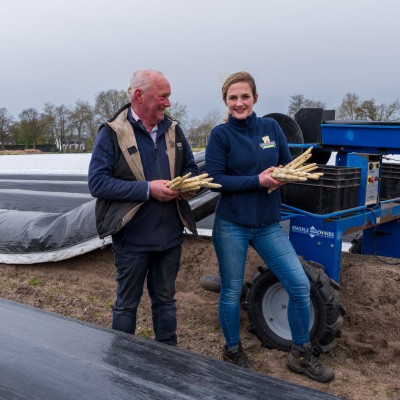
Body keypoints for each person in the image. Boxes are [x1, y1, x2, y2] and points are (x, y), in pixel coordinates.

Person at [205, 71, 335, 383]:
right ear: (226, 101)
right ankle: (233, 350)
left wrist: (281, 177)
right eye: (233, 98)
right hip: (232, 225)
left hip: (267, 225)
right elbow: (216, 180)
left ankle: (300, 353)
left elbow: (286, 164)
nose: (239, 103)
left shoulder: (270, 128)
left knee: (300, 285)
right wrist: (258, 181)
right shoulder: (220, 136)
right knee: (232, 289)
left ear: (255, 98)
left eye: (244, 97)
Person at [88, 69, 198, 346]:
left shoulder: (174, 129)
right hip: (132, 238)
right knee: (126, 305)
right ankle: (123, 361)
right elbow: (97, 183)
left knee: (165, 302)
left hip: (170, 237)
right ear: (140, 95)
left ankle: (168, 357)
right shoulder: (113, 132)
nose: (168, 103)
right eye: (163, 96)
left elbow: (191, 169)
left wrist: (192, 185)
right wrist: (149, 189)